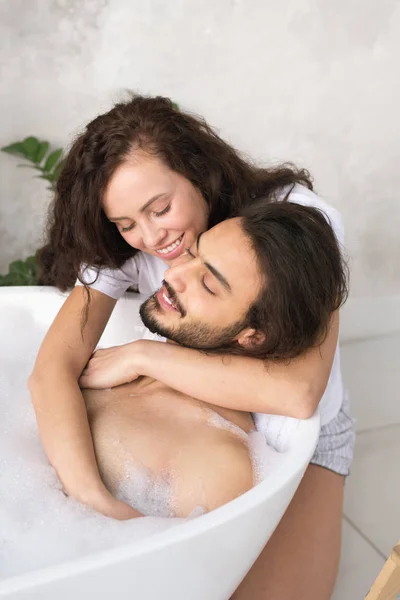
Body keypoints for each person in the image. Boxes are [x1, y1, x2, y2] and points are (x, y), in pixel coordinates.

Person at [29, 95, 354, 600]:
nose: (153, 239)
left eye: (161, 208)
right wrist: (95, 502)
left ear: (199, 173)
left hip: (300, 439)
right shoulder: (129, 245)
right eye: (126, 222)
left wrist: (143, 355)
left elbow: (298, 393)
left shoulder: (297, 224)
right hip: (204, 414)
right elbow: (52, 369)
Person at [83, 201, 344, 519]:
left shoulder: (216, 462)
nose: (174, 274)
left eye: (208, 285)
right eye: (193, 254)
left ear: (253, 335)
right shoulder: (115, 362)